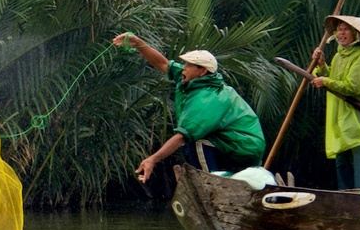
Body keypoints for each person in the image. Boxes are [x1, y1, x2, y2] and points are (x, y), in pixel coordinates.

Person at [112, 33, 266, 183]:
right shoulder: (193, 78)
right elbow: (163, 64)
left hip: (245, 146)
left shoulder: (209, 98)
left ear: (202, 71)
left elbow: (182, 137)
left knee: (196, 143)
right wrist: (139, 43)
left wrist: (152, 159)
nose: (183, 68)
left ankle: (209, 184)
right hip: (227, 142)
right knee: (193, 143)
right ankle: (224, 179)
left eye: (188, 65)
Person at [309, 15, 360, 189]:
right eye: (338, 29)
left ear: (356, 34)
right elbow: (336, 80)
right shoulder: (338, 58)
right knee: (344, 179)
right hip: (344, 127)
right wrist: (322, 66)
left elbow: (352, 87)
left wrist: (325, 81)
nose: (341, 33)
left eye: (346, 29)